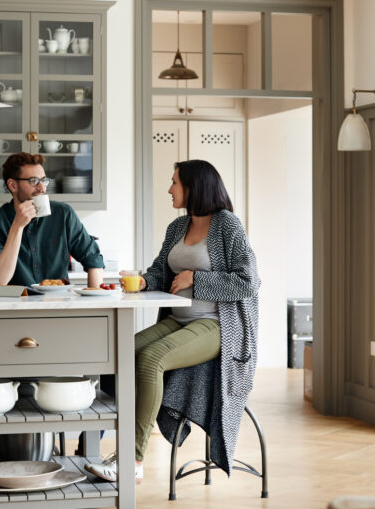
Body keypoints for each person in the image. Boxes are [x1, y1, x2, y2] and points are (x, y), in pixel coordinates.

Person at [85, 159, 260, 482]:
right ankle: (108, 444)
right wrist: (140, 280)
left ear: (194, 187)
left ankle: (133, 461)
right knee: (117, 353)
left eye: (174, 182)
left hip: (217, 325)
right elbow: (160, 272)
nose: (169, 188)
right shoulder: (177, 228)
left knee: (150, 359)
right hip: (178, 320)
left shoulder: (227, 225)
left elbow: (248, 281)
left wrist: (197, 278)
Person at [0, 152, 104, 287]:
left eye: (44, 180)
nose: (42, 187)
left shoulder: (63, 214)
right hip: (16, 304)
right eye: (34, 181)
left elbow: (93, 260)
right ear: (13, 185)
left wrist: (94, 297)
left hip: (59, 302)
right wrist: (17, 226)